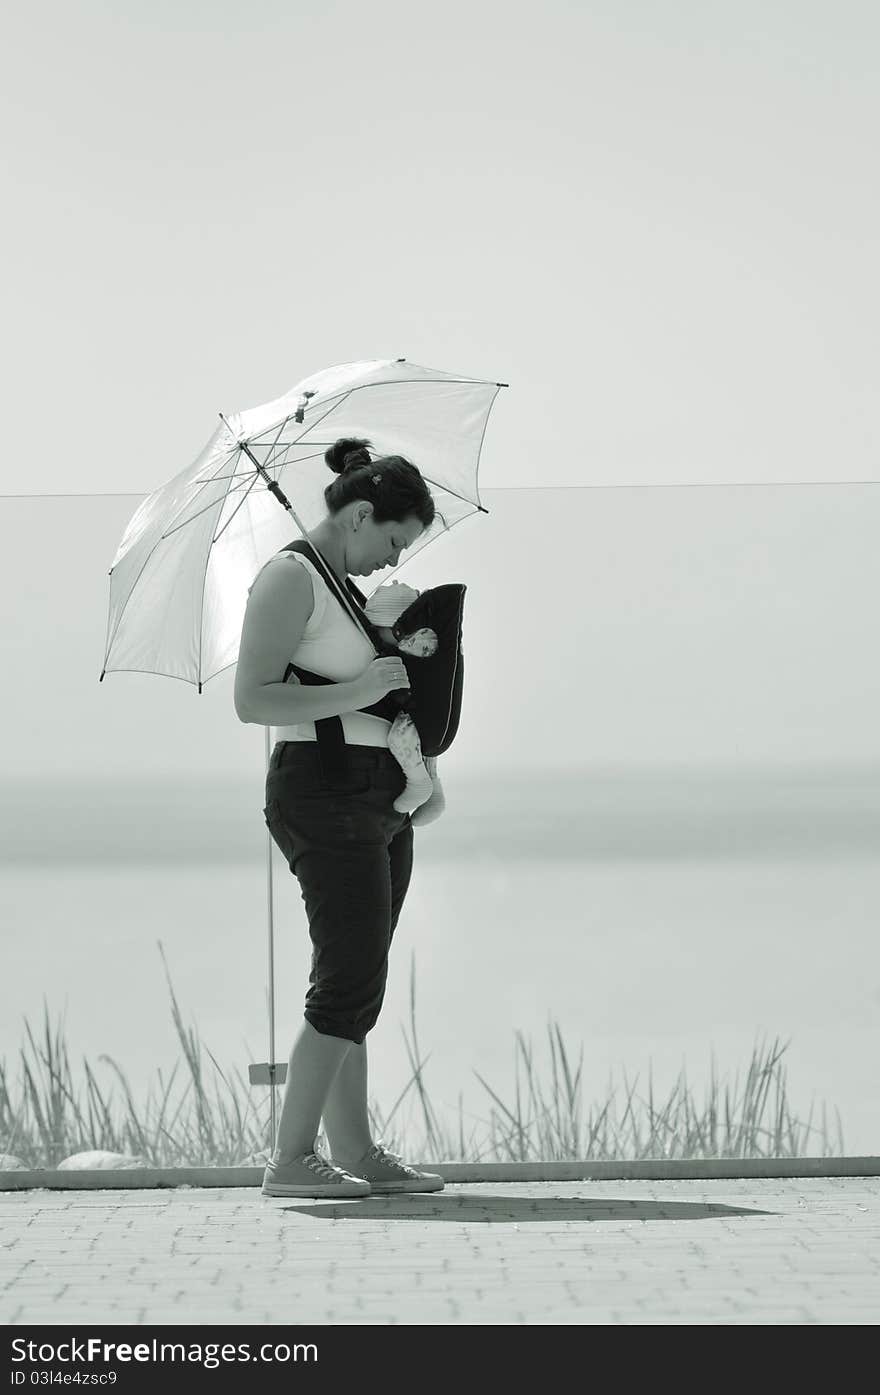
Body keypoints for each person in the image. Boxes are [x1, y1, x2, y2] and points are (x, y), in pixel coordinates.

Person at [234, 436, 447, 1199]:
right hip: (320, 788)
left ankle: (354, 1149)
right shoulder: (290, 578)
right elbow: (253, 699)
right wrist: (355, 692)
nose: (392, 560)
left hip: (378, 792)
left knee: (364, 977)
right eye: (392, 540)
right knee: (347, 974)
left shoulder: (349, 591)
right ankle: (290, 1159)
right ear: (360, 514)